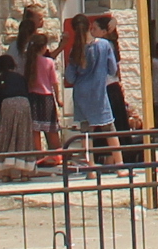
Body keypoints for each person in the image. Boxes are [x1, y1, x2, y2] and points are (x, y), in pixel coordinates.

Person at [62, 14, 121, 167]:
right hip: (99, 93)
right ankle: (119, 165)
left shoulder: (75, 50)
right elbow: (112, 69)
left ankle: (91, 167)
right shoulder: (104, 45)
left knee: (86, 133)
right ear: (89, 26)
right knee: (109, 128)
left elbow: (70, 77)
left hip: (81, 93)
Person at [0, 39, 37, 155]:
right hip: (24, 103)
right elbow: (27, 93)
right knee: (22, 132)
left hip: (7, 103)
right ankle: (24, 158)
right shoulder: (20, 78)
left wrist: (2, 114)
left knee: (6, 133)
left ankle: (6, 157)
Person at [26, 21, 65, 163]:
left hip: (32, 97)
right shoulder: (48, 62)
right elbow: (54, 82)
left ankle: (39, 156)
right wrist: (59, 98)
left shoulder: (28, 61)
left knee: (35, 128)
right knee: (51, 127)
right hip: (46, 97)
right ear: (43, 47)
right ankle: (57, 155)